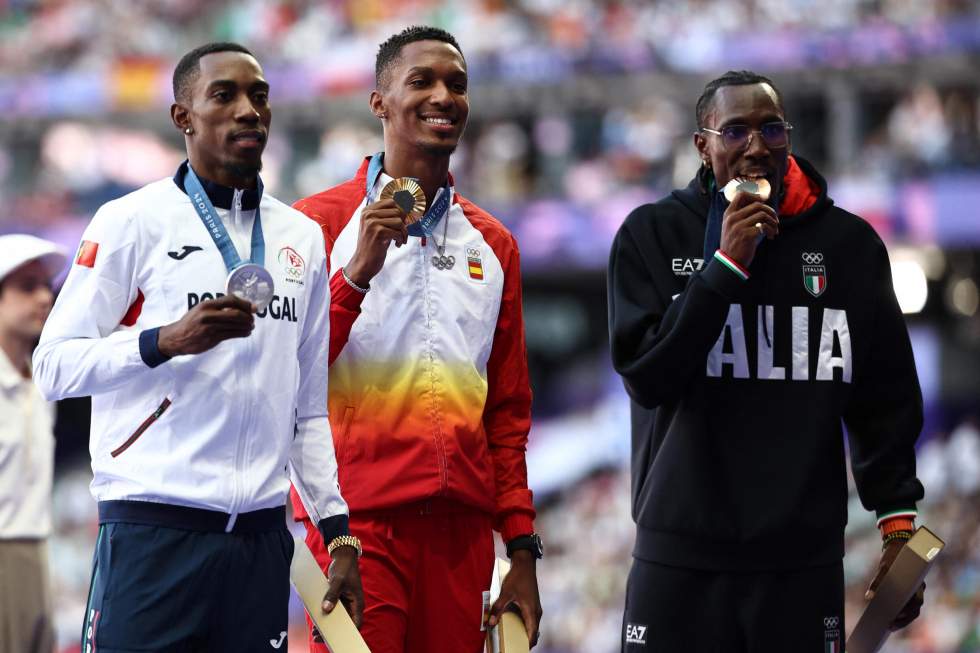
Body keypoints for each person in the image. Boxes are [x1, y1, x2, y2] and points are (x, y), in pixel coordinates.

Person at [33, 42, 362, 652]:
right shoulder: (131, 221)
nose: (248, 110)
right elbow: (52, 366)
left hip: (261, 546)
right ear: (182, 116)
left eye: (259, 97)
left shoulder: (302, 239)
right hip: (153, 532)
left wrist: (337, 530)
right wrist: (163, 341)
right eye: (225, 95)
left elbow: (309, 410)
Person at [608, 70, 925, 652]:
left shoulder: (850, 247)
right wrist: (725, 268)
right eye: (735, 130)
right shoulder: (650, 235)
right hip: (680, 558)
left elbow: (885, 398)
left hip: (800, 565)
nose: (756, 146)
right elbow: (647, 378)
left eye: (772, 129)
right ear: (702, 145)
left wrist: (898, 527)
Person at [289, 25, 543, 653]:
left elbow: (506, 414)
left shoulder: (496, 244)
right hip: (357, 529)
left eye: (457, 84)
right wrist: (353, 278)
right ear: (378, 102)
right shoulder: (314, 225)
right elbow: (285, 381)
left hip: (461, 539)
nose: (443, 96)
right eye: (422, 81)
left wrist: (521, 550)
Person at [0, 234, 66, 653]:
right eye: (28, 287)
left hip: (37, 548)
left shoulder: (40, 385)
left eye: (47, 286)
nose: (45, 297)